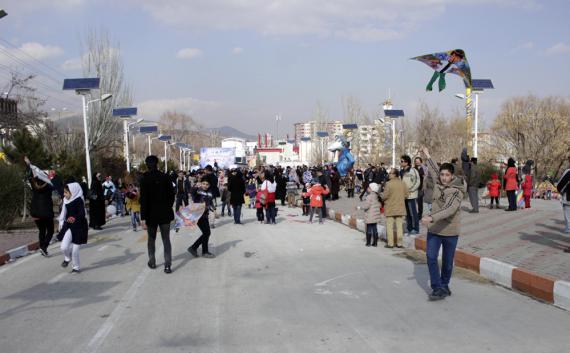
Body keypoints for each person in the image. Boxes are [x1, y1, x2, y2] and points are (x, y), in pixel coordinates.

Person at [420, 147, 467, 301]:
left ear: (452, 176)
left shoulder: (456, 191)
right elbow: (434, 168)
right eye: (442, 174)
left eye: (447, 175)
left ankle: (445, 284)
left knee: (447, 262)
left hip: (450, 231)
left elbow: (449, 209)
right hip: (434, 230)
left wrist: (431, 217)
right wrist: (427, 155)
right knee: (431, 257)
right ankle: (437, 287)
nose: (443, 177)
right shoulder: (438, 180)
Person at [140, 155, 175, 274]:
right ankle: (167, 265)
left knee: (151, 239)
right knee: (166, 239)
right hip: (164, 213)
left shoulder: (144, 179)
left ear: (147, 165)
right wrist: (167, 206)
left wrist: (143, 217)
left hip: (150, 215)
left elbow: (143, 200)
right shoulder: (165, 177)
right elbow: (171, 195)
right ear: (157, 164)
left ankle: (152, 261)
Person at [57, 183, 88, 273]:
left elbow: (82, 214)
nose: (64, 194)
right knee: (63, 247)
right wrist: (61, 224)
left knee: (75, 250)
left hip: (80, 227)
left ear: (73, 192)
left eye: (66, 193)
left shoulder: (79, 200)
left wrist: (74, 217)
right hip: (69, 226)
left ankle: (76, 267)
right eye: (64, 192)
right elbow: (63, 214)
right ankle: (67, 258)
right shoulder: (65, 201)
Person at [188, 178, 216, 258]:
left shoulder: (210, 192)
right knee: (207, 233)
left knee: (206, 233)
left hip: (205, 215)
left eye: (207, 184)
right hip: (197, 215)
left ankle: (199, 250)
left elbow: (210, 202)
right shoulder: (198, 191)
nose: (205, 186)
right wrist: (196, 186)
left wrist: (213, 209)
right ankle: (197, 249)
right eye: (204, 184)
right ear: (201, 184)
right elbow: (192, 192)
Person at [382, 168, 408, 248]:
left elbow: (385, 196)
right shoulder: (402, 183)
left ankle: (390, 243)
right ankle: (399, 243)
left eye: (390, 173)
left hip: (390, 207)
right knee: (399, 226)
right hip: (400, 207)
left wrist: (381, 197)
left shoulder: (388, 184)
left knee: (389, 226)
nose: (389, 174)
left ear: (395, 174)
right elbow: (407, 194)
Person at [29, 174, 54, 257]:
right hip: (46, 213)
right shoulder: (49, 187)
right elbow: (56, 185)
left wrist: (29, 165)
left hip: (35, 213)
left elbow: (30, 177)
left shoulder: (34, 186)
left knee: (42, 230)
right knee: (50, 230)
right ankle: (44, 247)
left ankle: (42, 247)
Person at [400, 155, 421, 235]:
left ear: (407, 162)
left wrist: (410, 190)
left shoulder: (413, 171)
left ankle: (415, 228)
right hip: (404, 195)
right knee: (407, 213)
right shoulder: (401, 171)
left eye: (402, 161)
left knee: (413, 213)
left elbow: (417, 182)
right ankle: (409, 228)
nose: (401, 163)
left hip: (411, 195)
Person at [358, 182, 382, 247]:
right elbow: (379, 205)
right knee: (375, 229)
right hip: (376, 216)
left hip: (370, 215)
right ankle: (375, 243)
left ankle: (368, 242)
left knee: (369, 228)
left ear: (371, 189)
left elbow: (366, 206)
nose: (367, 189)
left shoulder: (369, 197)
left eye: (369, 187)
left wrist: (360, 207)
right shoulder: (377, 196)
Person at [462, 149, 481, 213]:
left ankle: (475, 209)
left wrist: (469, 183)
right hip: (476, 184)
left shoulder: (472, 167)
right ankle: (476, 208)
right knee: (475, 197)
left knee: (473, 197)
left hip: (472, 184)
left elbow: (472, 176)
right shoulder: (478, 167)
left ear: (472, 161)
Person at [555, 155, 570, 239]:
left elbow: (560, 184)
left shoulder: (568, 171)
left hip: (568, 196)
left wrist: (560, 191)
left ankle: (568, 227)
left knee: (567, 212)